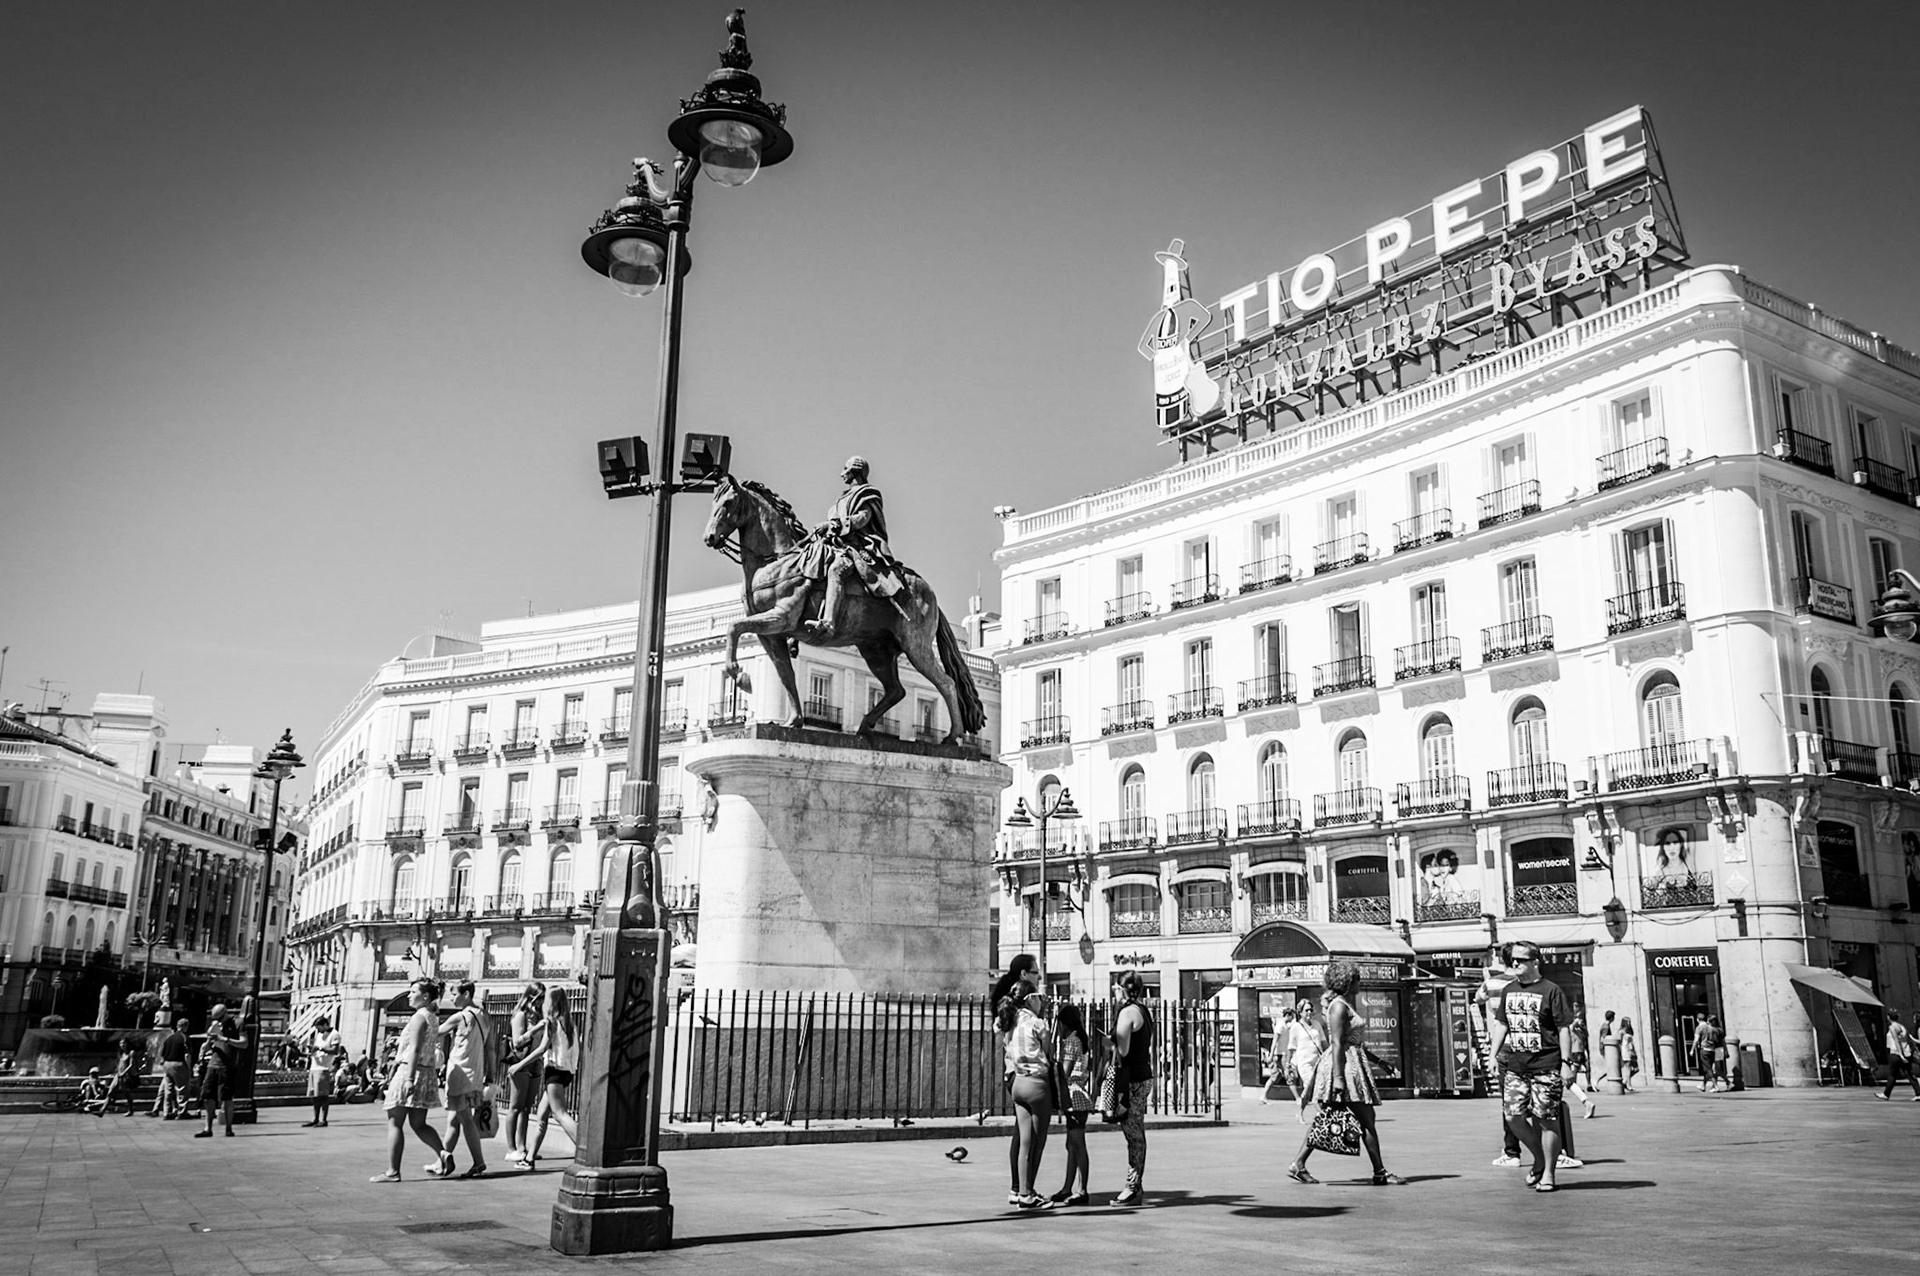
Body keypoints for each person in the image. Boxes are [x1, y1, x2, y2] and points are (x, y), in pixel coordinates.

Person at [1288, 960, 1403, 1186]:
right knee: (1366, 1119)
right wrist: (1339, 1079)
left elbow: (1353, 1042)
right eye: (1357, 979)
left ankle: (1298, 1164)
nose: (1360, 982)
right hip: (1345, 1067)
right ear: (1347, 982)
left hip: (1352, 1063)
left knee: (1332, 1116)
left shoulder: (1345, 1004)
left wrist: (1380, 1062)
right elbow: (1338, 1043)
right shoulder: (1339, 1006)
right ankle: (1380, 1172)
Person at [1489, 940, 1578, 1192]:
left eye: (1520, 959)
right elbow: (1502, 1025)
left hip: (1546, 1064)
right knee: (1513, 1117)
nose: (1514, 963)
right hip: (1516, 1065)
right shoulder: (1508, 990)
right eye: (1512, 960)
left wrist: (1566, 1063)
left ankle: (1548, 1173)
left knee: (1546, 1119)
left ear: (1535, 962)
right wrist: (1493, 1056)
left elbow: (1563, 1029)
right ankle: (1540, 1157)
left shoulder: (1551, 990)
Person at [798, 455, 908, 640]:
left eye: (845, 470)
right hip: (836, 544)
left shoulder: (867, 494)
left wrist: (832, 526)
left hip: (858, 547)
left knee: (836, 570)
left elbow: (862, 518)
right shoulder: (842, 498)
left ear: (855, 471)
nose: (842, 474)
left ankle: (829, 622)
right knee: (811, 563)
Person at [371, 978, 451, 1182]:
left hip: (410, 1070)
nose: (408, 995)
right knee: (419, 1123)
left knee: (395, 1123)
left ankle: (393, 1171)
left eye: (412, 991)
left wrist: (408, 1078)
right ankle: (443, 1153)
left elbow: (415, 1049)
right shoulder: (432, 1017)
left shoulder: (418, 1017)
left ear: (424, 996)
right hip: (427, 1072)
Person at [999, 982, 1056, 1209]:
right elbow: (1048, 1052)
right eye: (1039, 997)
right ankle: (1029, 1192)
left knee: (1024, 1142)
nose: (1041, 1002)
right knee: (1037, 1143)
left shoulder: (1009, 1021)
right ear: (1031, 998)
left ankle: (1020, 1192)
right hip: (1037, 1085)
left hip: (1018, 1083)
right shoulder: (1037, 1023)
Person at [989, 955, 1037, 1200]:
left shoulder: (1006, 1008)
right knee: (1027, 1134)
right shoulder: (1024, 1014)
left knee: (1022, 1131)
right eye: (1035, 972)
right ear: (1023, 975)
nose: (1039, 976)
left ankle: (1019, 1186)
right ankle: (1022, 1189)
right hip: (1024, 1073)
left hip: (1011, 1072)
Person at [436, 980, 493, 1178]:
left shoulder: (460, 1017)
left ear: (466, 994)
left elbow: (435, 1032)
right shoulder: (484, 1016)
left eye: (454, 994)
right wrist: (491, 1074)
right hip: (475, 1074)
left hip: (460, 1074)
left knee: (465, 1119)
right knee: (454, 1119)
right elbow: (490, 1048)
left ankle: (478, 1162)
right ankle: (442, 1159)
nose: (451, 998)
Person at [1112, 972, 1156, 1206]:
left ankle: (1133, 1184)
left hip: (1132, 1079)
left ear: (1122, 989)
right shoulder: (1143, 1010)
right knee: (1135, 1129)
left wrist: (1110, 1043)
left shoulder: (1127, 1013)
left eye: (1115, 988)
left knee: (1133, 1132)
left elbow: (1124, 1050)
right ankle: (1135, 1182)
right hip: (1143, 1075)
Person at [1479, 948, 1525, 1167]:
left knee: (1509, 1102)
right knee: (1535, 1101)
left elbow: (1479, 998)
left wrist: (1488, 979)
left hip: (1503, 1048)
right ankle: (1554, 1148)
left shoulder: (1493, 984)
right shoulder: (1525, 982)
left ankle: (1512, 1151)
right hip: (1527, 1048)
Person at [525, 986, 580, 1170]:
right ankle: (529, 1157)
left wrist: (519, 1065)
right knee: (541, 1115)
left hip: (554, 1071)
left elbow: (542, 1049)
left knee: (559, 1113)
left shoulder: (552, 1022)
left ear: (552, 1001)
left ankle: (584, 1149)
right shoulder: (569, 1022)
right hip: (567, 1071)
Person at [1050, 1001, 1094, 1206]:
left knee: (1077, 1144)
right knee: (1071, 1145)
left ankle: (1081, 1189)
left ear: (1064, 1024)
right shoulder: (1081, 1039)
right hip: (1080, 1094)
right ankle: (1068, 1187)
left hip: (1074, 1096)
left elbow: (1064, 1071)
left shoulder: (1071, 1042)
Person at [505, 982, 547, 1168]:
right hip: (521, 1062)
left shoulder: (539, 1015)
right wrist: (535, 1029)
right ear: (531, 998)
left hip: (535, 1062)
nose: (541, 1002)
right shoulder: (521, 1015)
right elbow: (516, 1042)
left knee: (527, 1107)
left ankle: (522, 1147)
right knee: (515, 1106)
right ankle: (511, 1148)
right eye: (539, 998)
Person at [195, 1006, 241, 1138]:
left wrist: (224, 1039)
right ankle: (207, 1128)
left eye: (220, 1018)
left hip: (227, 1066)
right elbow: (209, 1045)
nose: (218, 1021)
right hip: (212, 1064)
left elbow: (244, 1043)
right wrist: (209, 1041)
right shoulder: (215, 1026)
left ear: (226, 1014)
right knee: (208, 1096)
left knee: (226, 1097)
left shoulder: (237, 1023)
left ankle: (229, 1128)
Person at [1289, 998, 1326, 1126]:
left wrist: (1328, 1055)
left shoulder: (1316, 1024)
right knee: (1315, 1087)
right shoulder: (1296, 1027)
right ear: (1300, 1012)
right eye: (1306, 1010)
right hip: (1304, 1062)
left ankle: (1299, 1112)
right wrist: (1289, 1064)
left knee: (1309, 1090)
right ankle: (1322, 1114)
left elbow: (1323, 1042)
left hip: (1318, 1061)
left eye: (1311, 1010)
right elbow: (1291, 1047)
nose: (1309, 1012)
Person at [303, 1016, 343, 1128]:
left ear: (325, 1024)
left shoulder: (334, 1034)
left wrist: (320, 1049)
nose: (318, 1030)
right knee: (315, 1095)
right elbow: (317, 1046)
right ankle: (315, 1118)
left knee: (323, 1095)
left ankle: (324, 1119)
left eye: (319, 1027)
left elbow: (335, 1050)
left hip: (323, 1068)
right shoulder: (320, 1035)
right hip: (314, 1066)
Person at [151, 1019, 191, 1119]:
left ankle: (167, 1112)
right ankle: (182, 1112)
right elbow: (187, 1055)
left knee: (168, 1090)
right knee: (182, 1088)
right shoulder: (184, 1038)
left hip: (167, 1064)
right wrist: (189, 1068)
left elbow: (162, 1054)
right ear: (185, 1026)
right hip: (178, 1064)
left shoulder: (169, 1038)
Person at [1880, 1009, 1920, 1100]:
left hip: (1896, 1052)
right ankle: (1918, 1093)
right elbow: (1906, 1040)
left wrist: (1901, 1054)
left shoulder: (1892, 1027)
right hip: (1906, 1052)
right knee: (1909, 1073)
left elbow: (1896, 1041)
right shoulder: (1902, 1027)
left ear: (1889, 1017)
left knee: (1892, 1074)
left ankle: (1886, 1094)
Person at [1262, 1007, 1298, 1104]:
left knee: (1276, 1076)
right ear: (1288, 1016)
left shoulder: (1285, 1026)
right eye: (1292, 1016)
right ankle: (1297, 1098)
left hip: (1282, 1053)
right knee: (1288, 1075)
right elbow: (1275, 1041)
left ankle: (1263, 1095)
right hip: (1281, 1054)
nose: (1293, 1018)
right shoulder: (1280, 1026)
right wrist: (1271, 1054)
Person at [1567, 1012, 1598, 1118]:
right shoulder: (1571, 1030)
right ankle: (1585, 1100)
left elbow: (1586, 1038)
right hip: (1575, 1052)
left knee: (1569, 1080)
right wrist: (1576, 1019)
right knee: (1571, 1076)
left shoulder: (1580, 1031)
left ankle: (1587, 1094)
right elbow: (1571, 1026)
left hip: (1580, 1052)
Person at [1618, 1016, 1640, 1090]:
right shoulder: (1621, 1031)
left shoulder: (1629, 1031)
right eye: (1628, 1022)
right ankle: (1629, 1085)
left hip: (1631, 1050)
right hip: (1625, 1050)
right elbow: (1619, 1042)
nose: (1629, 1023)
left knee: (1636, 1068)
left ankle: (1625, 1081)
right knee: (1628, 1068)